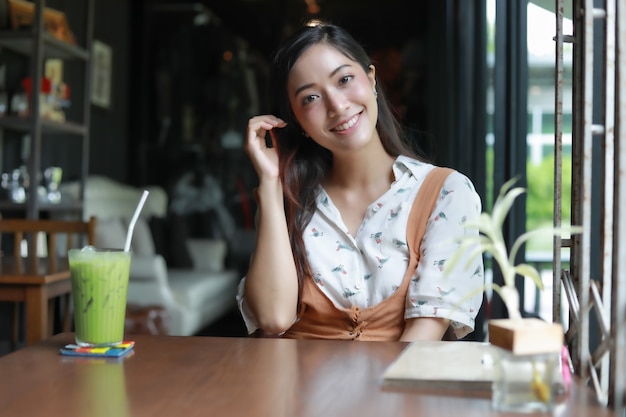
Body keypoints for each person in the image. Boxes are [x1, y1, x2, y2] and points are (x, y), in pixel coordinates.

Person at [236, 20, 484, 341]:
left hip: (399, 387)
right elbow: (273, 318)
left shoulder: (446, 193)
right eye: (310, 98)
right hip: (296, 389)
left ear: (371, 78)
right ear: (296, 120)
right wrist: (271, 183)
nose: (338, 106)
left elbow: (424, 337)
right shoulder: (288, 199)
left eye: (345, 79)